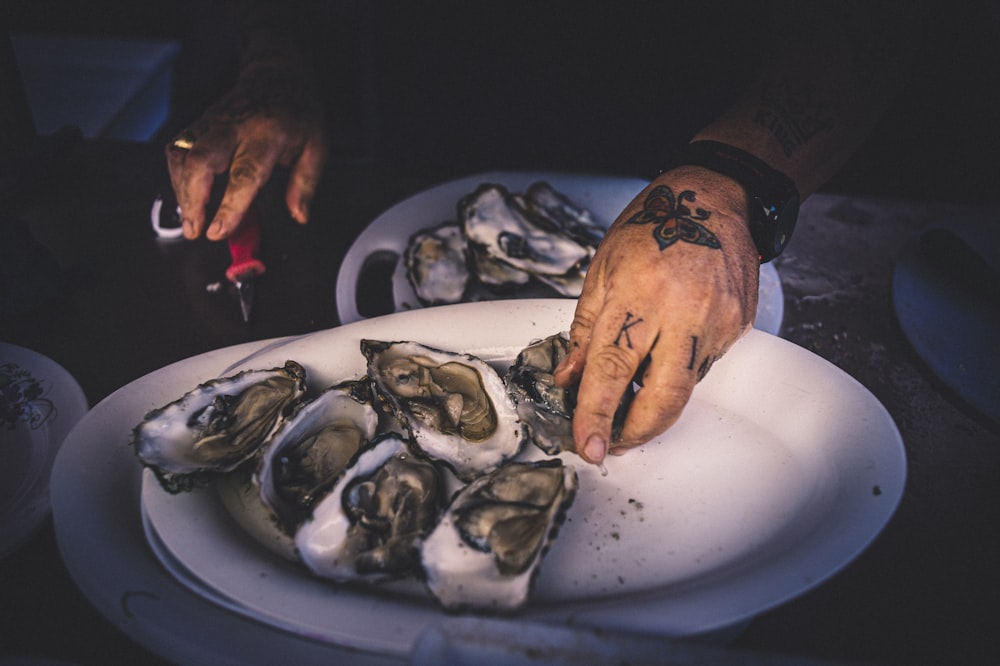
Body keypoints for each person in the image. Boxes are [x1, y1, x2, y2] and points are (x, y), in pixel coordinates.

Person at [166, 1, 925, 466]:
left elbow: (881, 21)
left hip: (693, 112)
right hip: (391, 133)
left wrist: (735, 179)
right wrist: (274, 62)